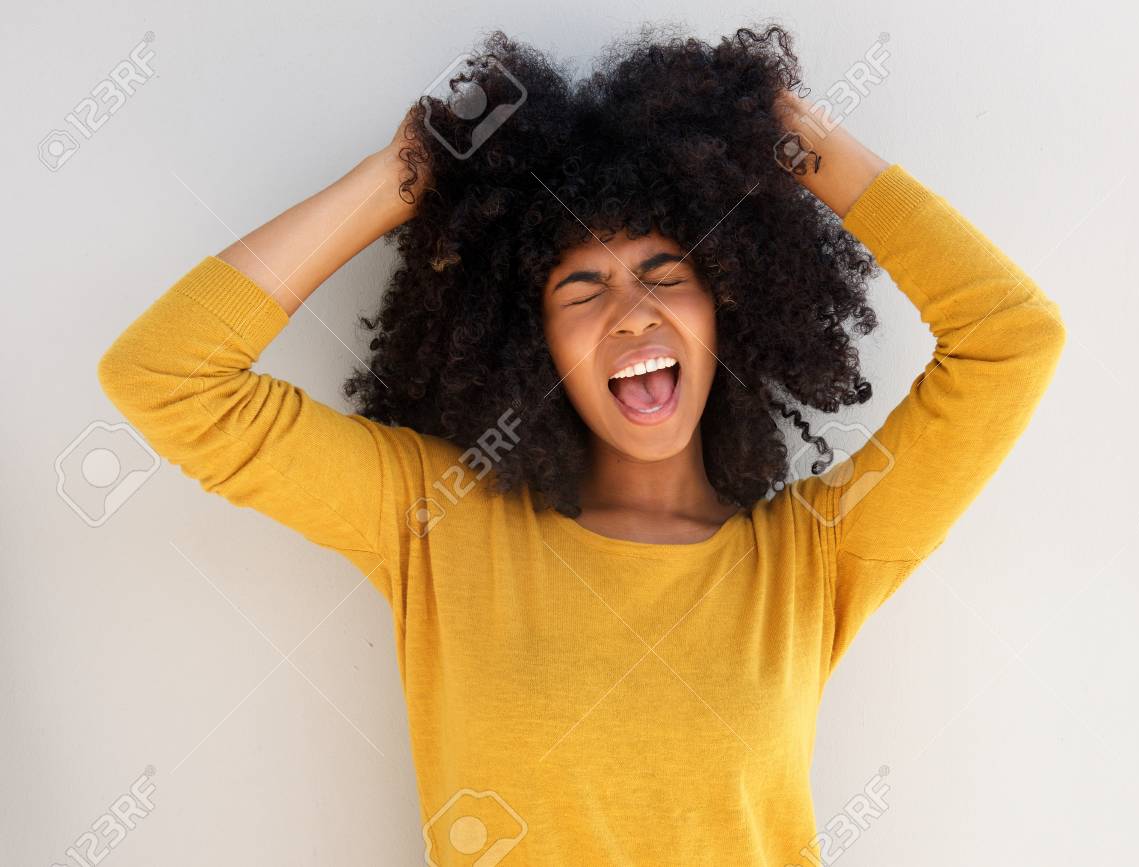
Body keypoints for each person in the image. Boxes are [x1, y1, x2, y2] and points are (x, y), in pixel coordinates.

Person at [98, 25, 1066, 866]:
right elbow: (167, 377)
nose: (632, 313)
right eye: (581, 288)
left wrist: (791, 139)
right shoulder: (436, 522)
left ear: (728, 304)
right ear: (530, 345)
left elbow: (1012, 339)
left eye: (664, 273)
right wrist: (405, 179)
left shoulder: (811, 556)